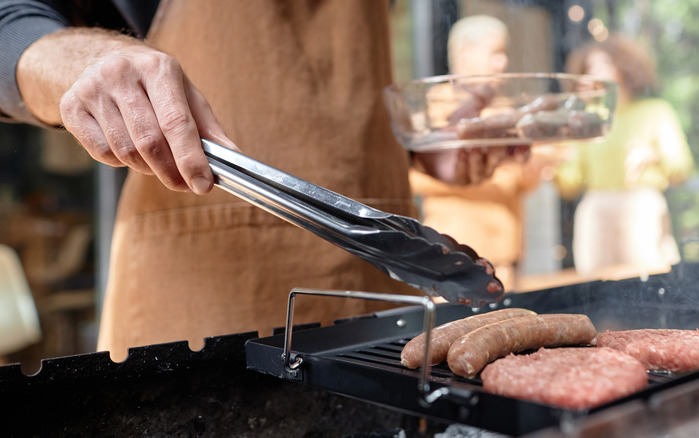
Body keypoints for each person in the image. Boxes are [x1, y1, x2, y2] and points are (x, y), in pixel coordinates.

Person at [0, 0, 513, 356]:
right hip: (207, 295)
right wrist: (84, 63)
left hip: (380, 283)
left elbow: (330, 87)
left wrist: (418, 147)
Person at [409, 15, 545, 289]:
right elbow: (415, 178)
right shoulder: (434, 107)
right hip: (453, 256)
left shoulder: (506, 109)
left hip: (505, 257)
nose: (502, 63)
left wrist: (535, 165)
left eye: (503, 54)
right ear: (466, 52)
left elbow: (521, 182)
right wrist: (500, 171)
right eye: (495, 53)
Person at [555, 34, 694, 277]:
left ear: (624, 67)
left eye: (604, 64)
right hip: (596, 210)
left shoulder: (655, 112)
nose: (596, 72)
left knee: (649, 277)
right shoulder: (587, 121)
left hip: (640, 206)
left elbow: (681, 168)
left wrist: (654, 156)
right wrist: (553, 160)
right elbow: (569, 184)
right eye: (590, 67)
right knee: (595, 283)